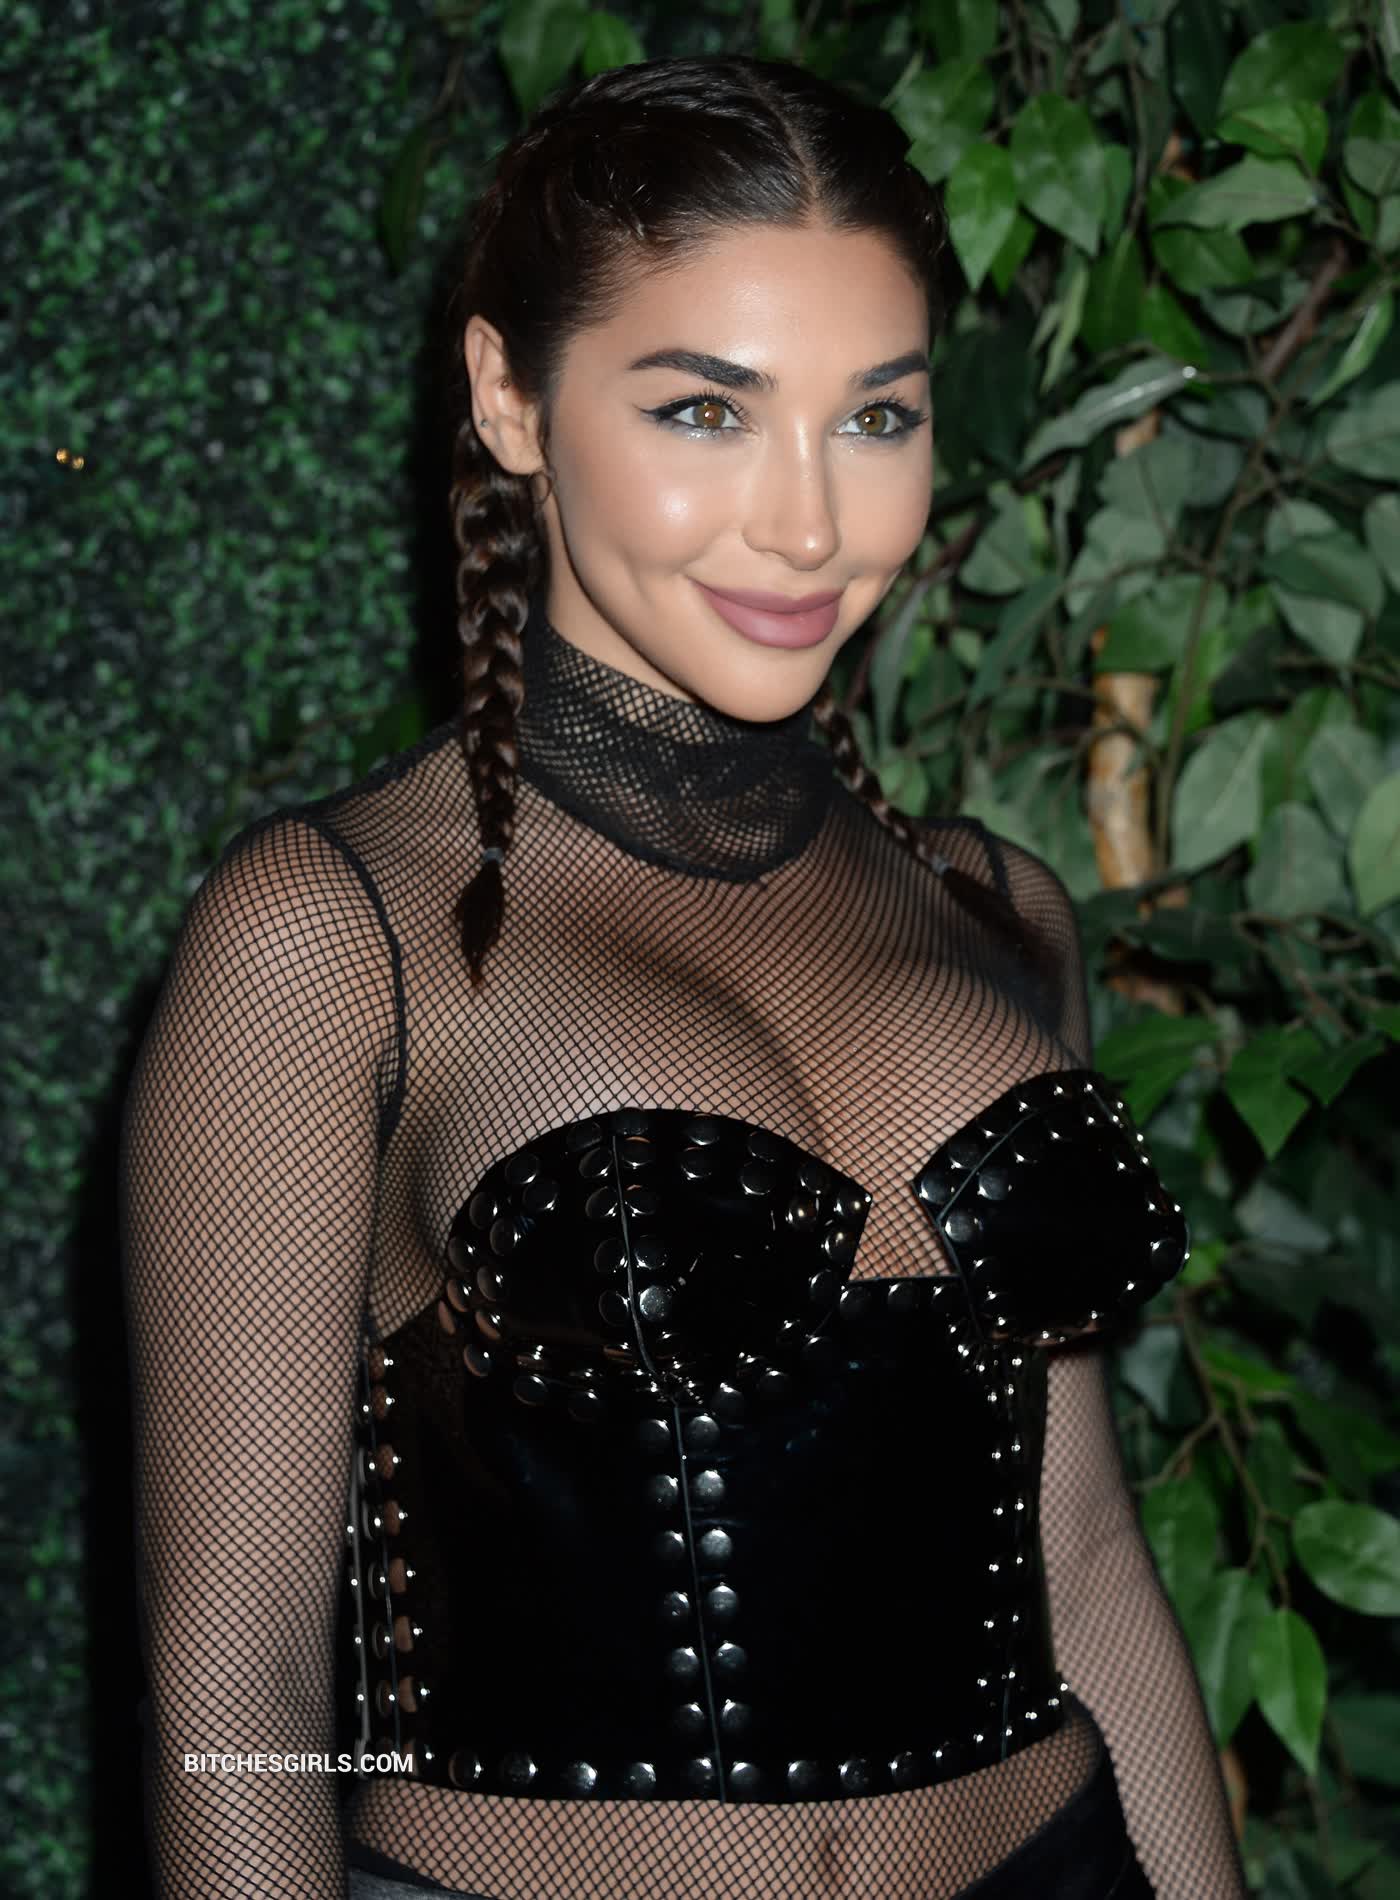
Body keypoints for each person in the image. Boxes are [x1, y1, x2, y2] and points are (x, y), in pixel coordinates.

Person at [119, 51, 1246, 1900]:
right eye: (707, 412)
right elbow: (234, 1685)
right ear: (511, 398)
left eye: (875, 419)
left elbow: (1092, 1563)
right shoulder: (333, 933)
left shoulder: (996, 909)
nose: (809, 525)